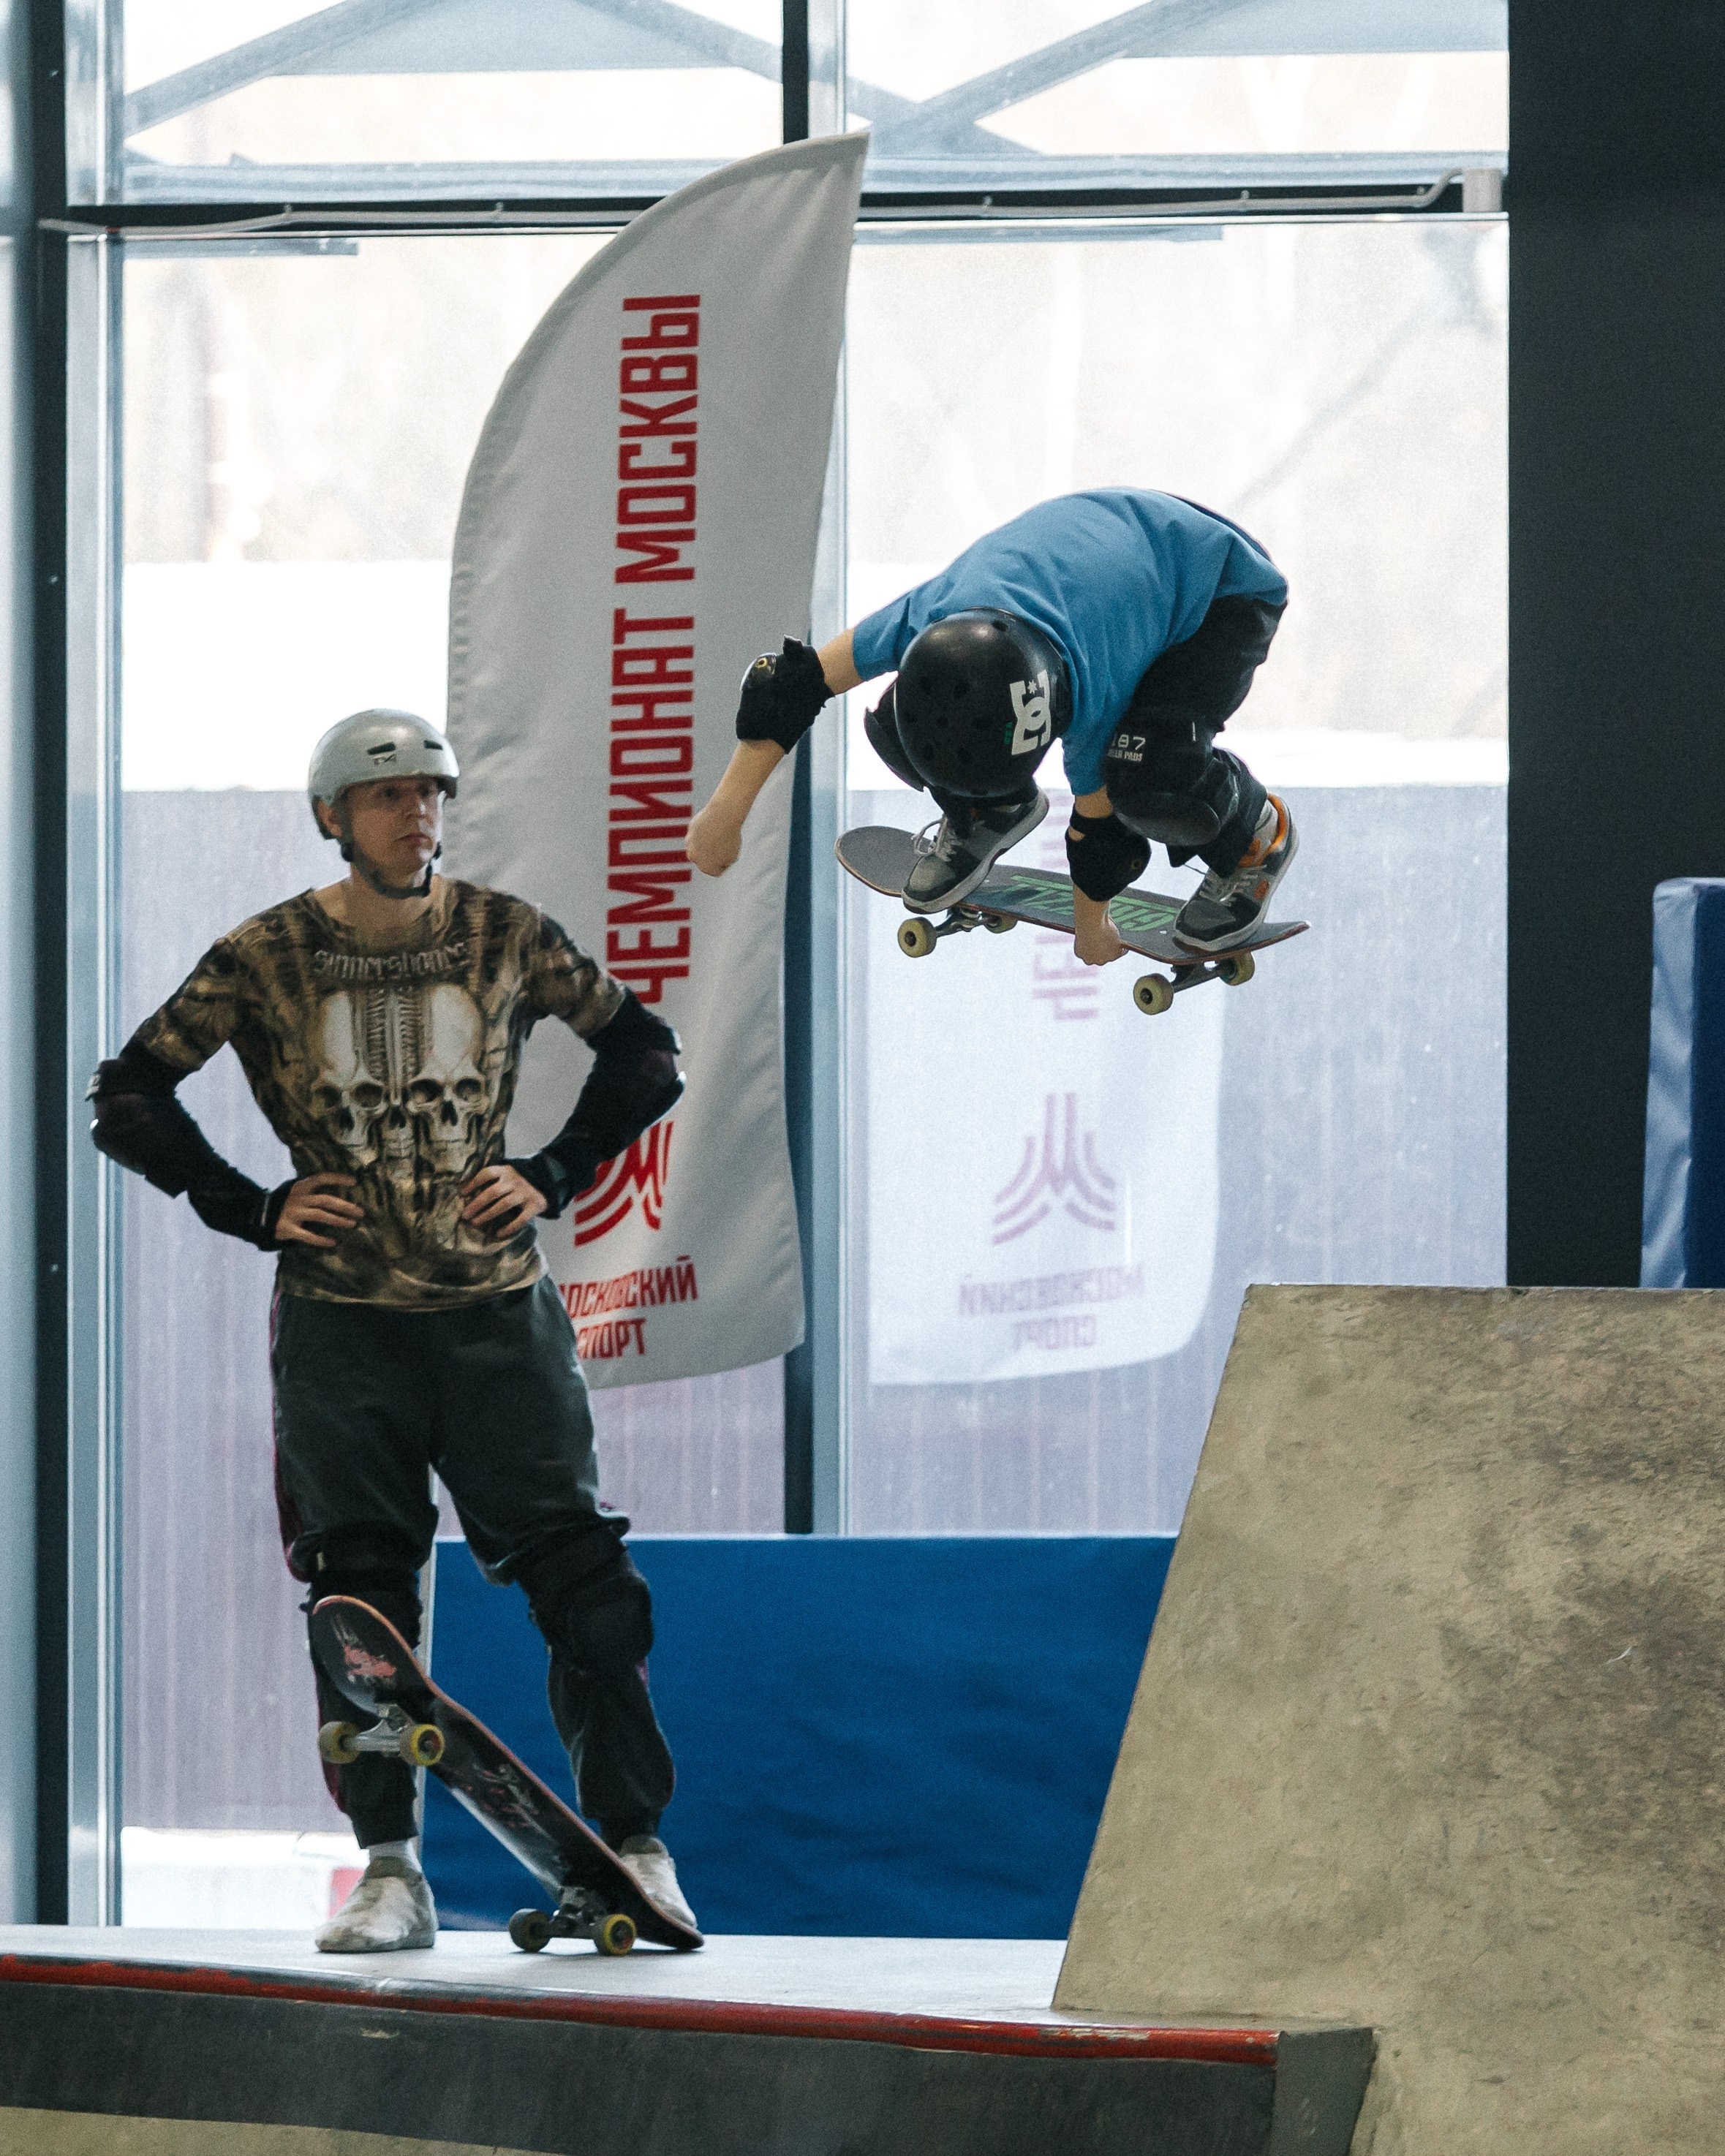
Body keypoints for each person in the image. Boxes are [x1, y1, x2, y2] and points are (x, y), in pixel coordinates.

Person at [88, 709, 695, 1953]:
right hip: (342, 1331)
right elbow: (126, 1090)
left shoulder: (503, 932)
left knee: (585, 1585)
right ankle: (389, 1867)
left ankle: (636, 1843)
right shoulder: (265, 954)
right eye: (383, 797)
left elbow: (645, 1049)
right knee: (358, 1608)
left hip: (494, 1321)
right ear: (329, 815)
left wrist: (555, 1167)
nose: (413, 814)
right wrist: (248, 1204)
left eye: (429, 793)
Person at [687, 486, 1296, 959]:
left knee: (1146, 772)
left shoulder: (1093, 682)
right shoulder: (925, 616)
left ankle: (1256, 838)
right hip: (1105, 552)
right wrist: (725, 813)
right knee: (899, 723)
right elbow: (787, 687)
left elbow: (1101, 831)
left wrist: (1093, 927)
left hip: (1219, 587)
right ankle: (990, 810)